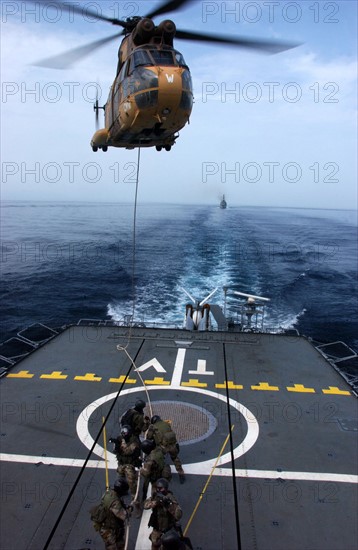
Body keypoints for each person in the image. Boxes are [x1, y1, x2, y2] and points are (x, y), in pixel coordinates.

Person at [109, 425, 142, 517]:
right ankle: (122, 490)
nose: (124, 434)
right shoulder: (120, 439)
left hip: (129, 465)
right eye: (123, 432)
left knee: (132, 485)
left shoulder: (133, 441)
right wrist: (116, 444)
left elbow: (128, 451)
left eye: (125, 432)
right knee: (119, 480)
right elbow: (116, 451)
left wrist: (118, 445)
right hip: (121, 463)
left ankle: (137, 505)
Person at [90, 478, 131, 550]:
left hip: (112, 526)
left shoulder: (109, 493)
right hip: (108, 529)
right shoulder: (114, 501)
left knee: (120, 544)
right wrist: (129, 510)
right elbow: (123, 515)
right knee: (112, 547)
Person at [144, 478, 182, 550]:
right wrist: (155, 502)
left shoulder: (170, 498)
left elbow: (179, 514)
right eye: (157, 488)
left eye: (161, 488)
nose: (158, 490)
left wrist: (168, 505)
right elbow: (145, 505)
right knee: (154, 544)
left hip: (168, 529)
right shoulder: (155, 496)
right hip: (157, 528)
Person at [147, 415, 185, 483]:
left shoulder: (153, 427)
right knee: (175, 458)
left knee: (158, 458)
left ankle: (160, 473)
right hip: (172, 445)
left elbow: (149, 437)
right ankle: (181, 473)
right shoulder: (166, 423)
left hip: (162, 447)